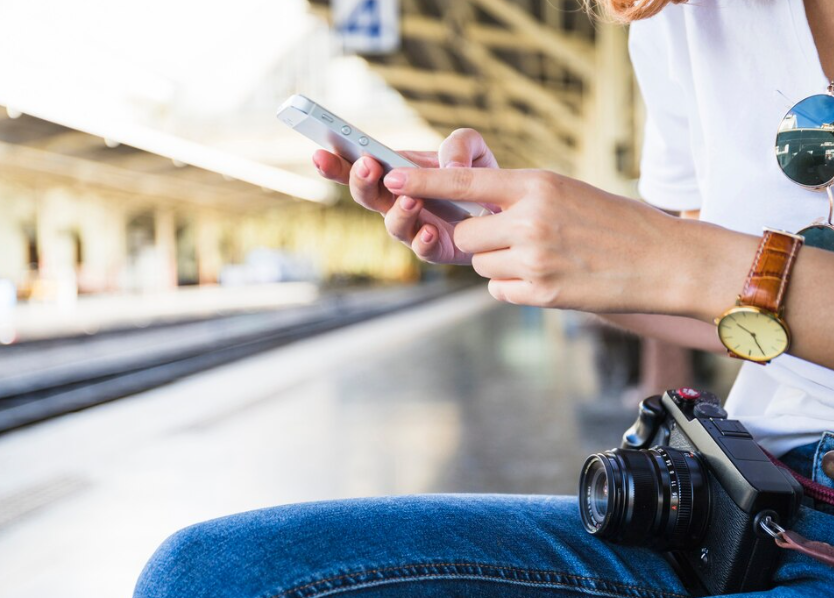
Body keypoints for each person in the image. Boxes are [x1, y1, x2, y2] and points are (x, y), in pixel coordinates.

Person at [133, 0, 834, 595]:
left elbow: (703, 272)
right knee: (213, 574)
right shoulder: (675, 15)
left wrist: (676, 257)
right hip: (750, 502)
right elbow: (743, 319)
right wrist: (511, 244)